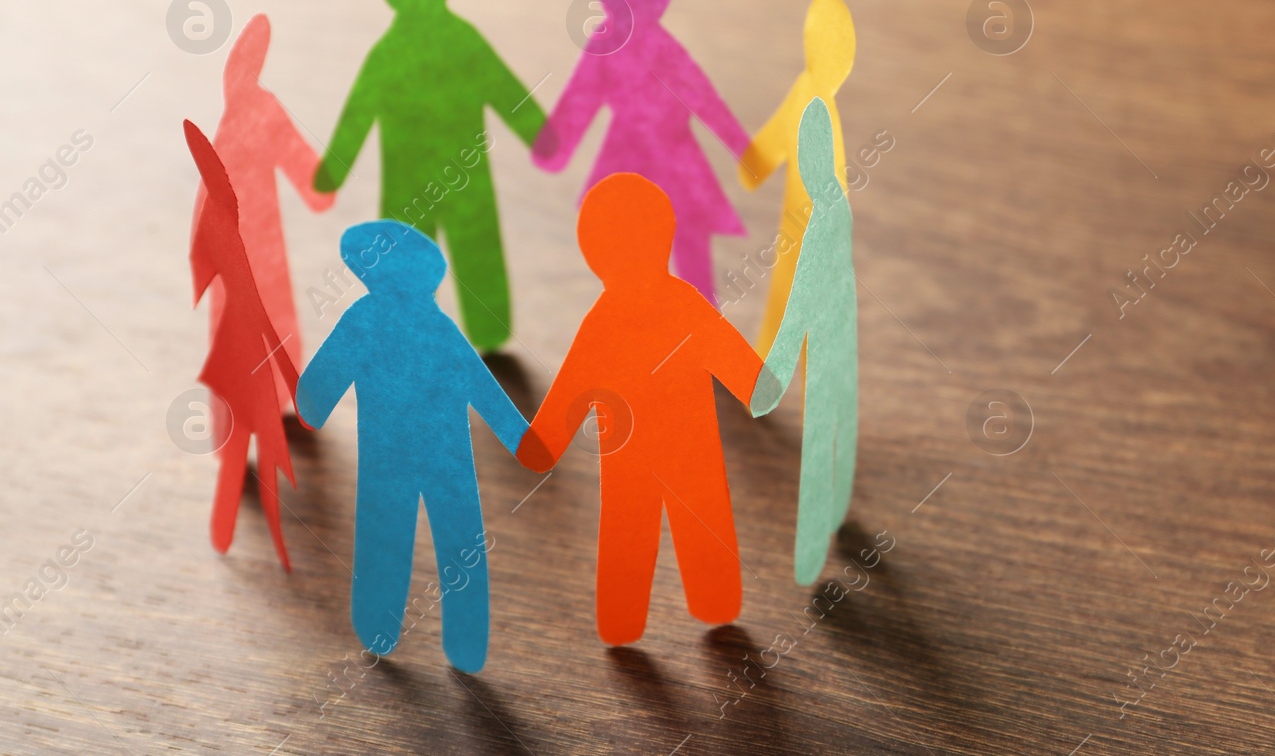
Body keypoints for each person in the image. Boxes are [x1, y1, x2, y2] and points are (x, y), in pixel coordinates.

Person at [516, 173, 770, 645]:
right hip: (686, 449)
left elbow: (574, 387)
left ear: (593, 254)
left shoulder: (607, 318)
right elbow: (743, 370)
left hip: (630, 455)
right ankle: (707, 603)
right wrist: (761, 389)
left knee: (628, 533)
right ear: (665, 237)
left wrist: (545, 443)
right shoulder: (681, 304)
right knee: (693, 521)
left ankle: (625, 621)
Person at [298, 220, 528, 673]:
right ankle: (461, 644)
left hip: (390, 459)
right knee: (457, 545)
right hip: (449, 461)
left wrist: (308, 403)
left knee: (387, 537)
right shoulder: (435, 324)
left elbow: (317, 395)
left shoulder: (365, 319)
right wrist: (524, 441)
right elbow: (484, 391)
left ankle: (380, 628)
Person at [314, 0, 546, 351]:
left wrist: (333, 171)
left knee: (414, 257)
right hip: (463, 174)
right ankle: (487, 326)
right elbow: (506, 90)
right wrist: (540, 135)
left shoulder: (390, 51)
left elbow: (356, 117)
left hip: (411, 180)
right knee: (471, 247)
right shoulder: (460, 39)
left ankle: (428, 325)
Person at [533, 0, 749, 305]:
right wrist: (557, 146)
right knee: (638, 247)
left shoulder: (645, 44)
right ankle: (651, 328)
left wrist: (741, 146)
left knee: (683, 244)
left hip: (659, 159)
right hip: (641, 160)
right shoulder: (613, 41)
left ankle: (699, 330)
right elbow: (582, 97)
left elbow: (699, 95)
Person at [194, 13, 334, 414]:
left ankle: (250, 398)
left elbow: (208, 188)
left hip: (238, 241)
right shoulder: (257, 111)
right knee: (269, 306)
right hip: (253, 236)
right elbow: (298, 161)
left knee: (247, 311)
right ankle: (268, 391)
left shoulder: (232, 121)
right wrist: (317, 189)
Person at [751, 99, 859, 584]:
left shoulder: (823, 217)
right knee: (842, 419)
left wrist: (774, 371)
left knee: (821, 435)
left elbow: (800, 303)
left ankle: (814, 547)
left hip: (825, 342)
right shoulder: (839, 202)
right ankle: (836, 511)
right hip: (844, 342)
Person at [184, 120, 300, 572]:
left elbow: (202, 275)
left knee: (252, 448)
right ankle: (261, 536)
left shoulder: (216, 221)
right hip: (242, 357)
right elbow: (255, 312)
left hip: (238, 357)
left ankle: (246, 530)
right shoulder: (224, 227)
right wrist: (291, 376)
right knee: (256, 448)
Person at [739, 0, 854, 354]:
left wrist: (754, 168)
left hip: (812, 224)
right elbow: (780, 131)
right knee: (788, 290)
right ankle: (771, 367)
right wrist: (754, 165)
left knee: (795, 292)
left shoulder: (821, 108)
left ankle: (780, 367)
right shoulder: (808, 93)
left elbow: (832, 177)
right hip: (801, 219)